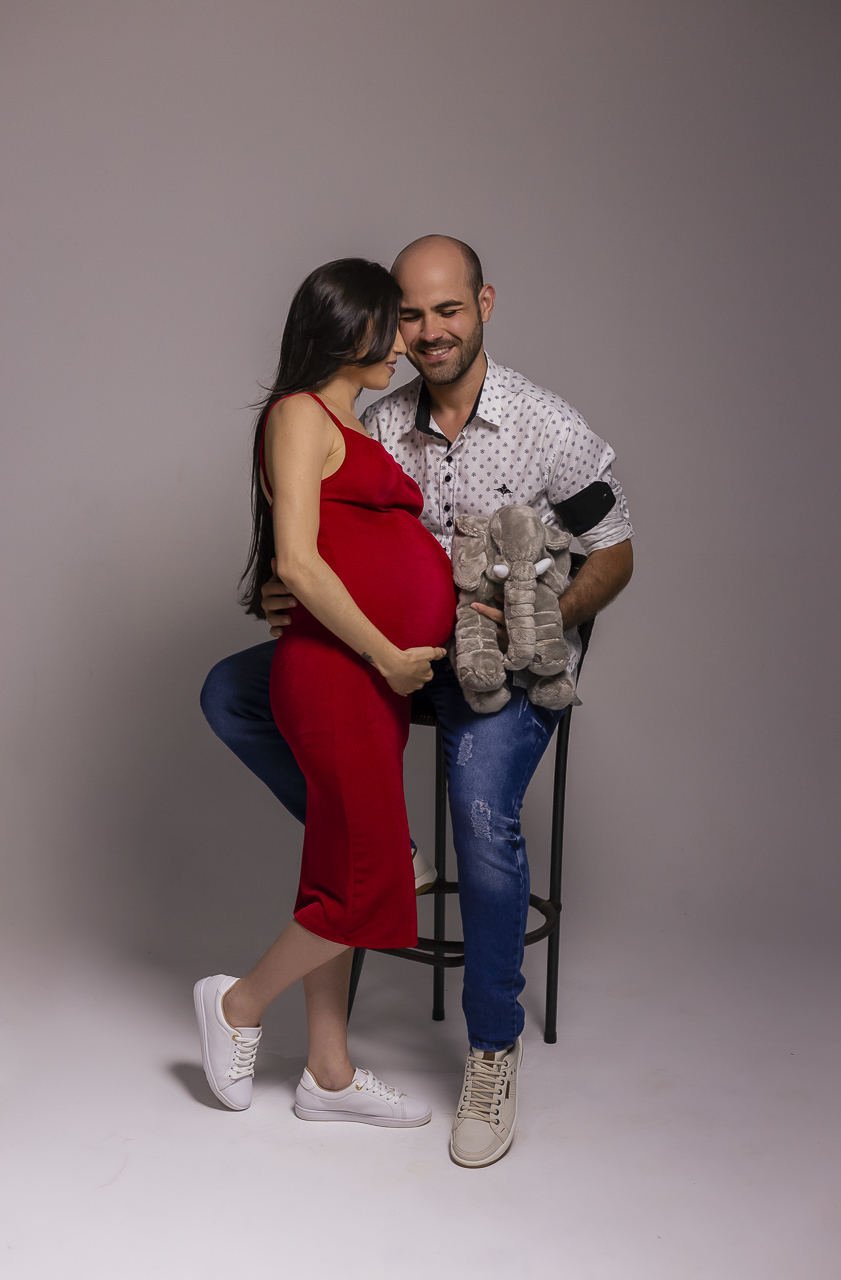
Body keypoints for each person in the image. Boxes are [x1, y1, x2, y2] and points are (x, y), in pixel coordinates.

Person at [201, 236, 634, 1166]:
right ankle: (376, 849)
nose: (426, 333)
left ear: (484, 305)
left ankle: (491, 1051)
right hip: (397, 657)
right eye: (409, 314)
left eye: (447, 311)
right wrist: (284, 593)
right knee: (232, 692)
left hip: (502, 660)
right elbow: (321, 536)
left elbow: (615, 548)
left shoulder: (544, 423)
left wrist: (544, 619)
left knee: (478, 811)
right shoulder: (375, 415)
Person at [194, 258, 456, 1129]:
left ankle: (328, 1075)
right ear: (350, 331)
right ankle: (236, 1004)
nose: (404, 344)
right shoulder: (299, 413)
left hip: (370, 681)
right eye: (391, 325)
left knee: (335, 875)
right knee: (376, 879)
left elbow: (356, 547)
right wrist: (388, 655)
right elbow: (298, 562)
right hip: (341, 674)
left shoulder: (357, 423)